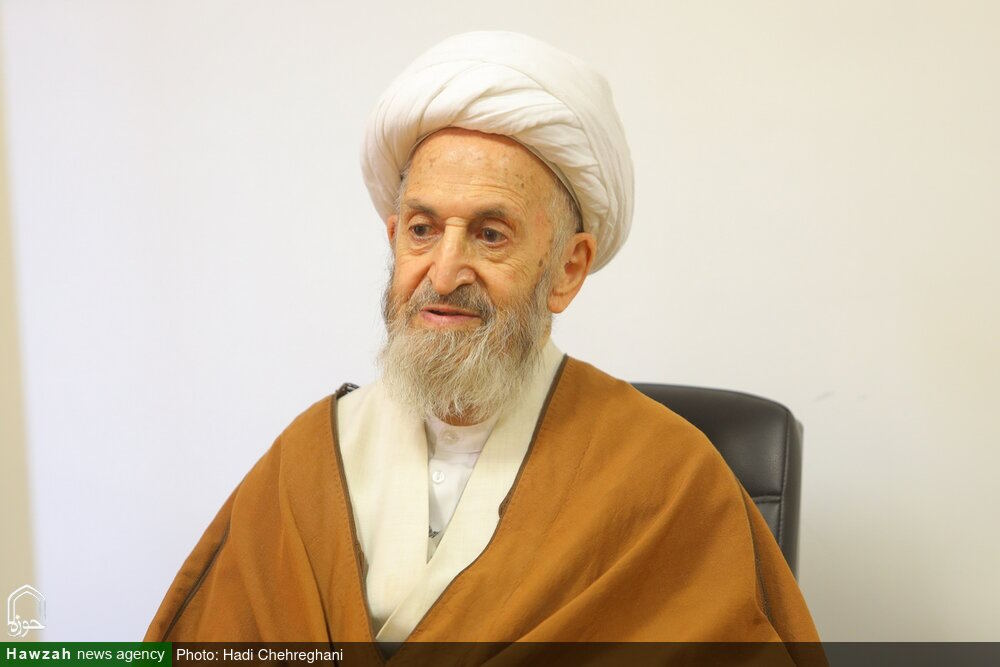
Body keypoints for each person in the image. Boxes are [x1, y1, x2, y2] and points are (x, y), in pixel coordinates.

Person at [145, 31, 822, 663]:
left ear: (568, 269)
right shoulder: (307, 462)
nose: (443, 274)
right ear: (394, 239)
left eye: (491, 234)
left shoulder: (670, 481)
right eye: (422, 229)